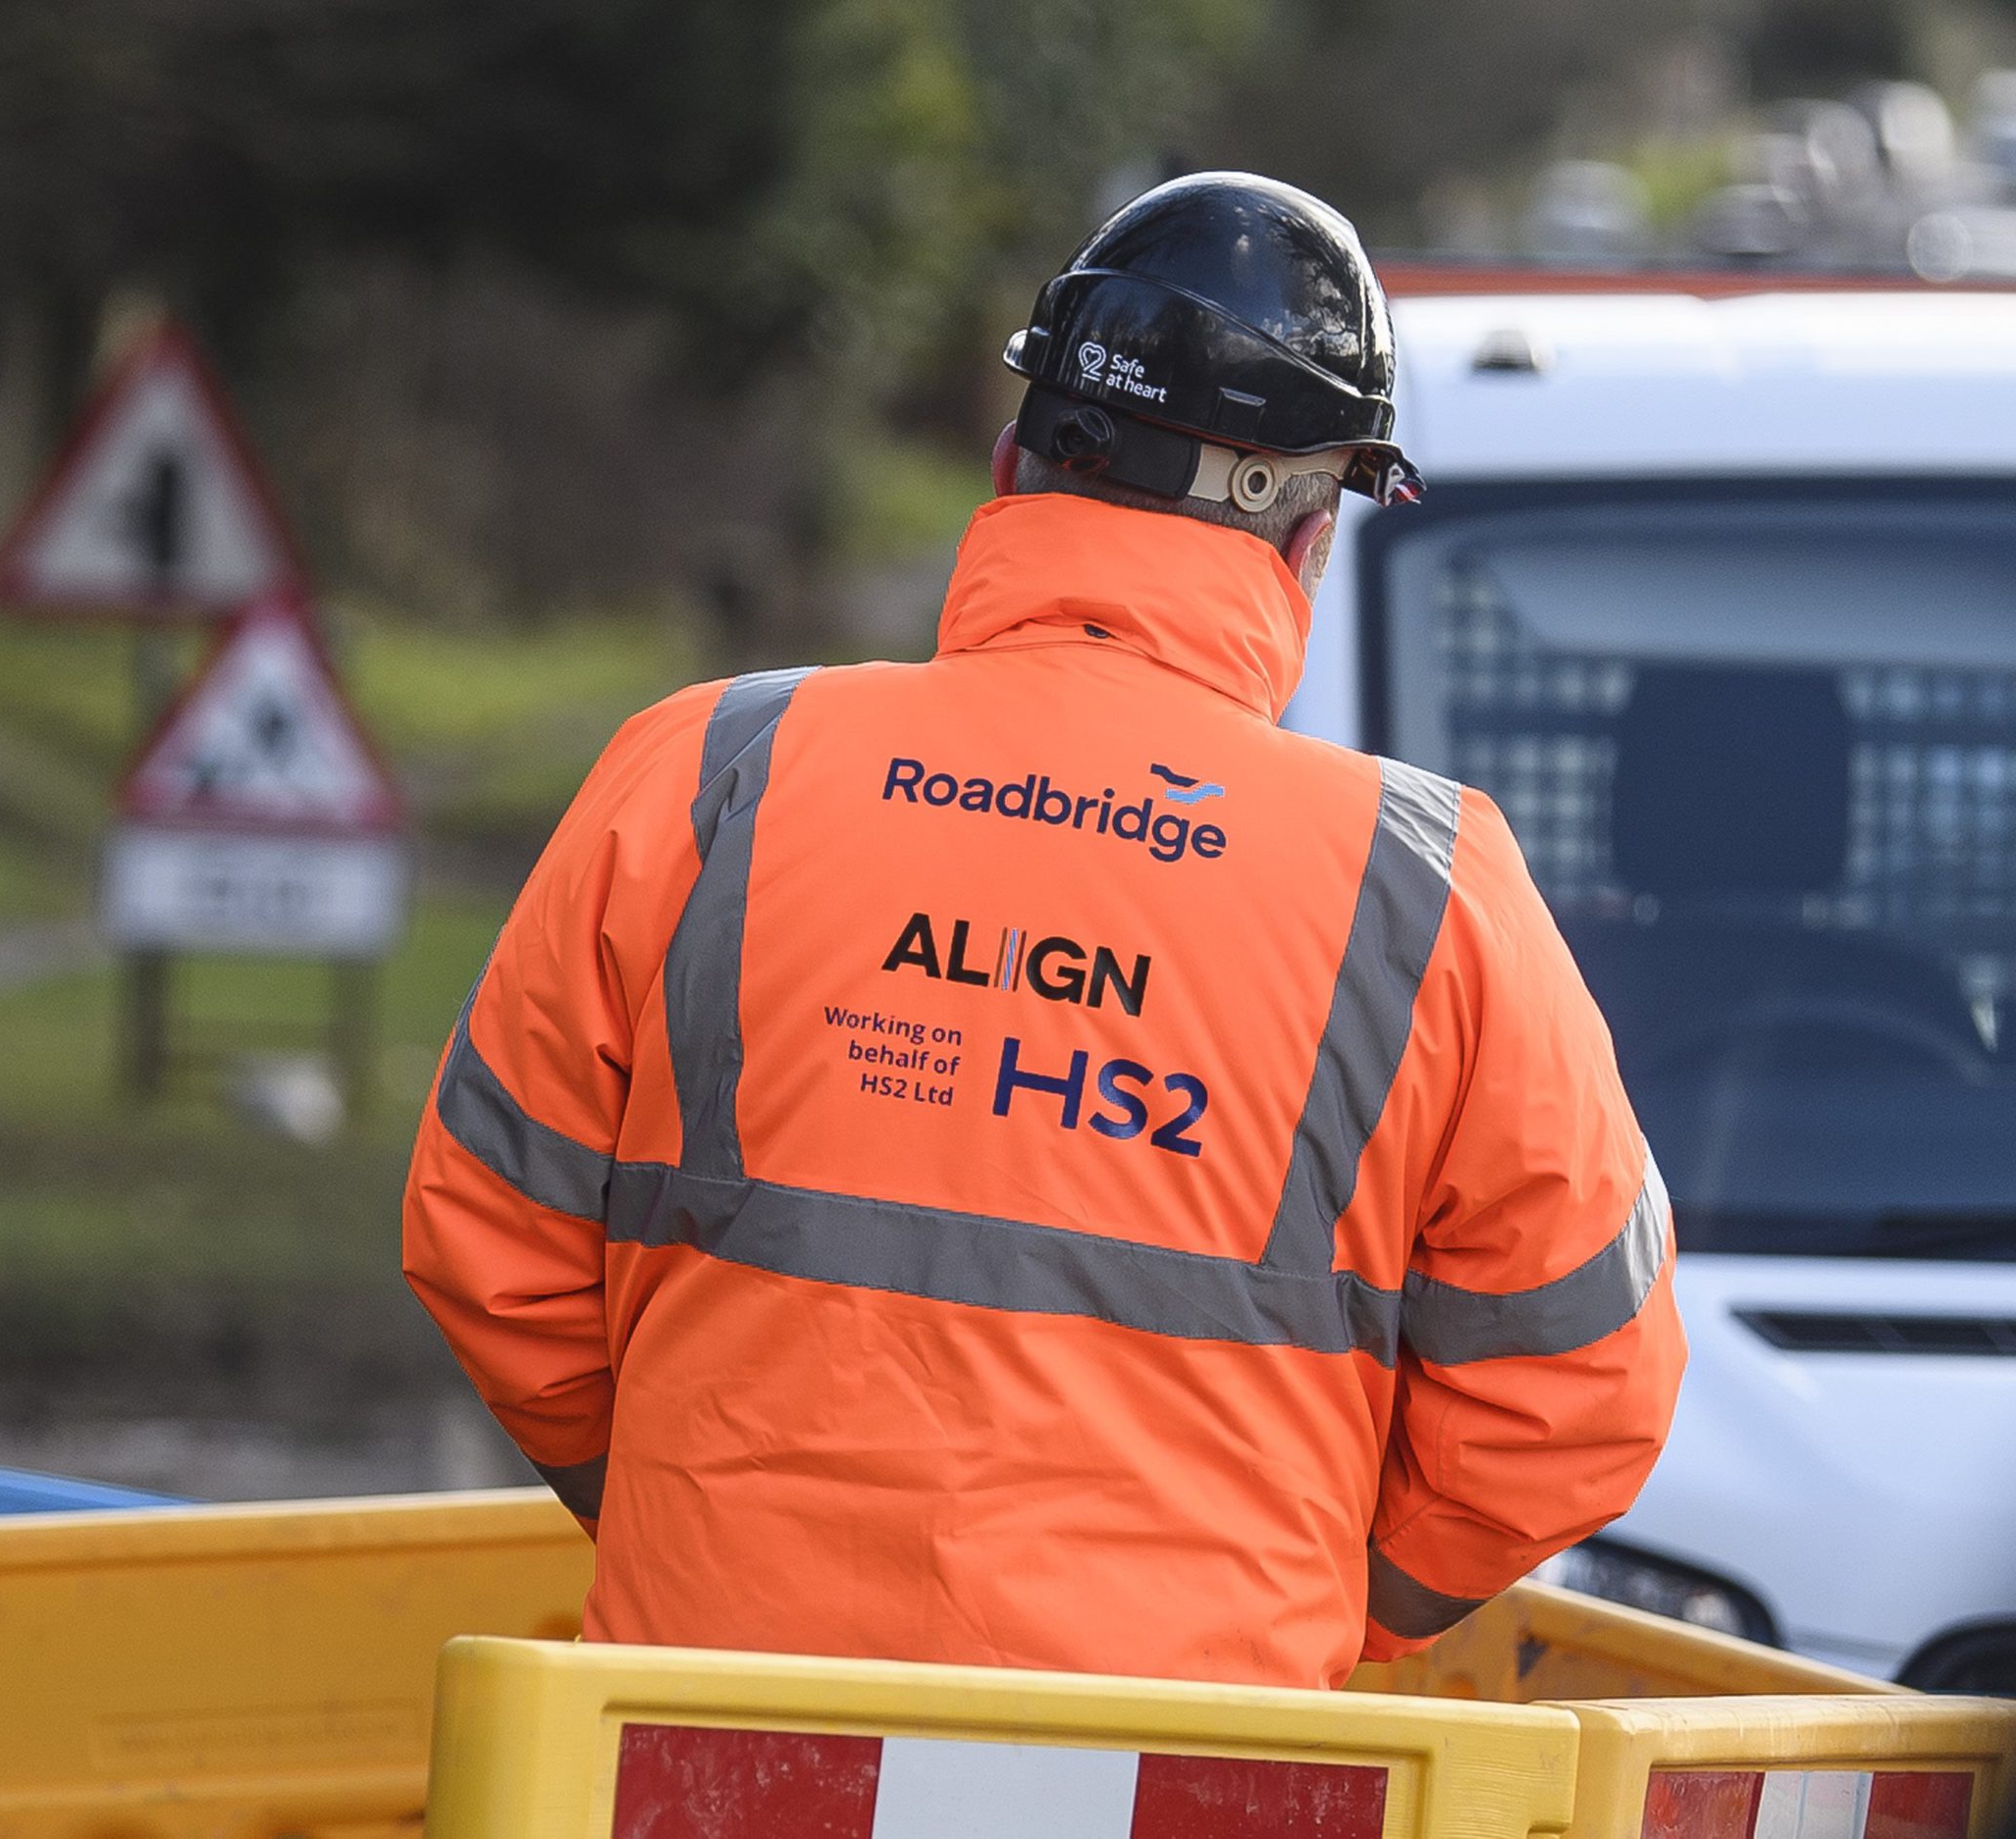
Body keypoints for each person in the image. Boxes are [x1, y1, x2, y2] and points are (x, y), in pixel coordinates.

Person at [401, 172, 1684, 1689]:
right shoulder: (1430, 891)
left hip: (708, 1733)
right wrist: (1320, 1598)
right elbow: (1583, 1389)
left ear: (1015, 462)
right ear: (1303, 534)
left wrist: (693, 1520)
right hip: (1194, 1758)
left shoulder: (710, 775)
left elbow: (487, 1228)